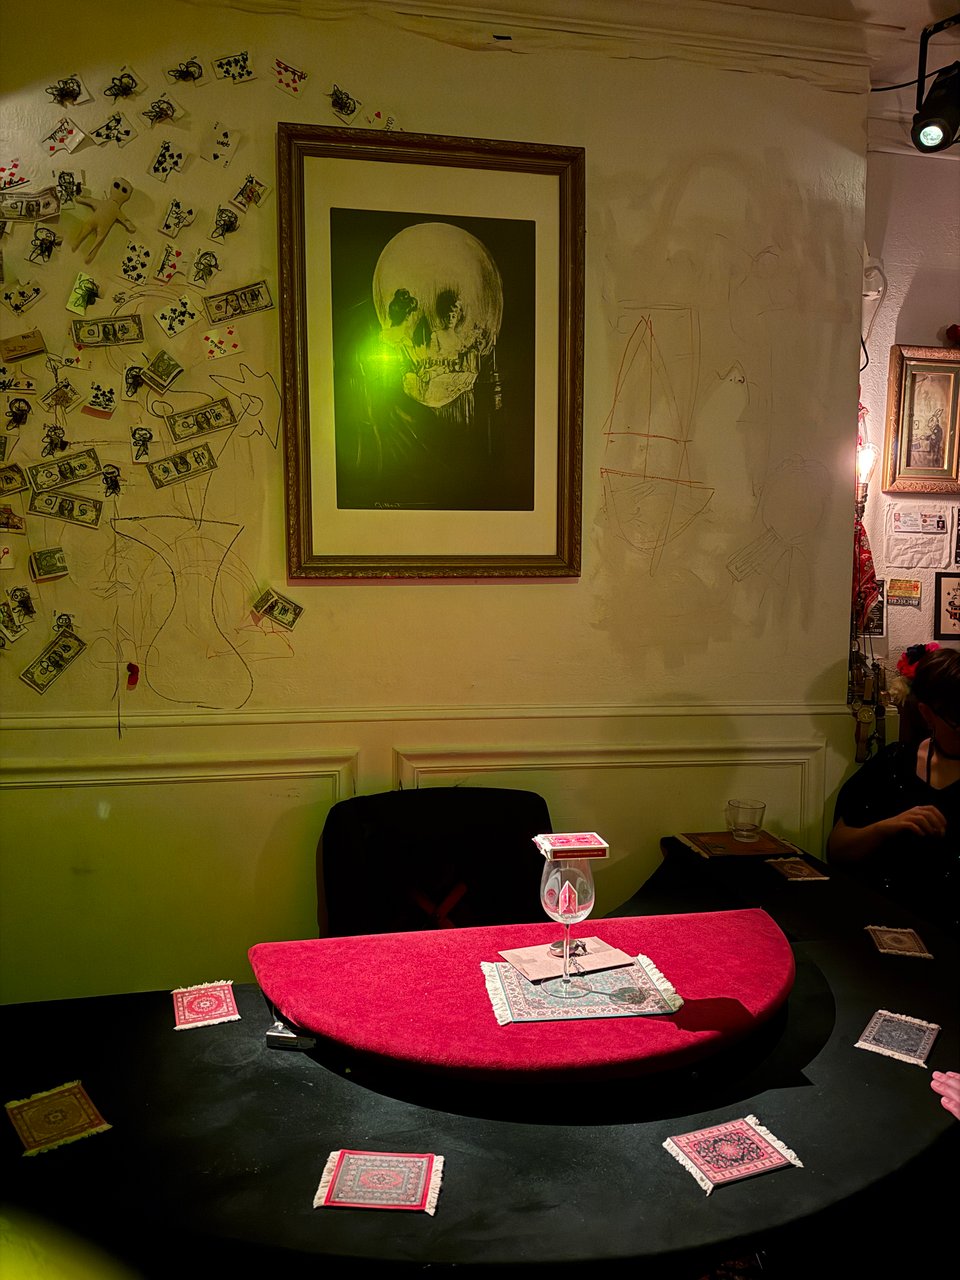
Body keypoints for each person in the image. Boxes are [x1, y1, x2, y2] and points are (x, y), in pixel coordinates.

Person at [827, 644, 960, 933]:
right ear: (927, 714)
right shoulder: (895, 762)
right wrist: (888, 826)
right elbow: (836, 849)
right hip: (883, 926)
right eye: (957, 722)